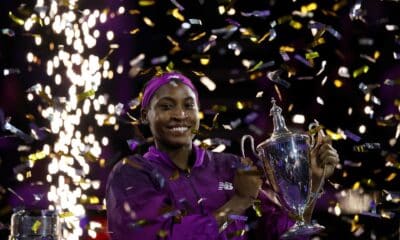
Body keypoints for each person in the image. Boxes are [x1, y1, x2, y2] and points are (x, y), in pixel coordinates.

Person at [105, 71, 340, 240]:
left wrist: (313, 181)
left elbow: (284, 233)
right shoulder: (132, 173)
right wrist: (238, 202)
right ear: (146, 115)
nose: (180, 115)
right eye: (166, 107)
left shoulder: (229, 165)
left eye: (189, 106)